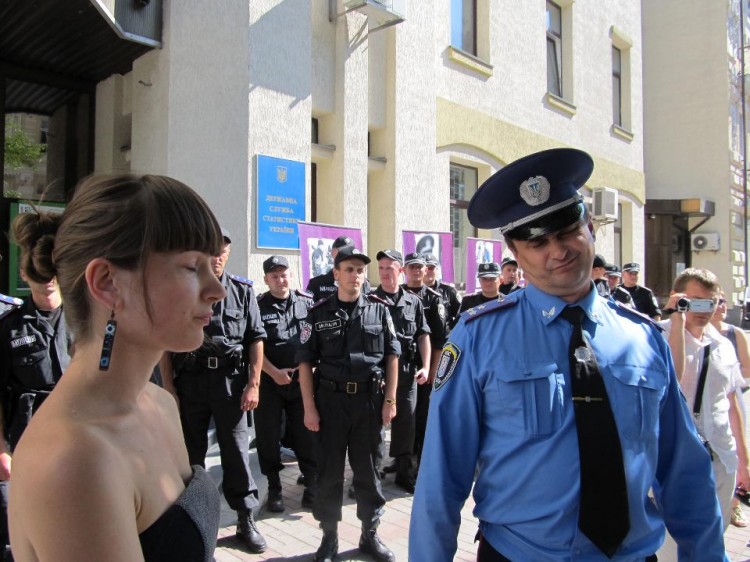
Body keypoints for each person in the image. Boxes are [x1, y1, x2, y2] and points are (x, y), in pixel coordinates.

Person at [409, 148, 726, 561]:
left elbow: (685, 471)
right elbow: (441, 477)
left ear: (590, 227)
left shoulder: (644, 338)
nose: (557, 251)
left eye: (567, 231)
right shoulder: (477, 337)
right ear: (517, 255)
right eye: (537, 241)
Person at [8, 174, 224, 561]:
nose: (217, 289)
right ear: (107, 282)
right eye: (192, 267)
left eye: (213, 264)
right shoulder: (75, 461)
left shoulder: (159, 402)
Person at [160, 228, 268, 553]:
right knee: (189, 456)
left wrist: (254, 383)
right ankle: (189, 519)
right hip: (190, 383)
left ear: (228, 254)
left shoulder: (243, 292)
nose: (217, 257)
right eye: (212, 251)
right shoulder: (185, 289)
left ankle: (245, 520)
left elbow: (256, 339)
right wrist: (168, 388)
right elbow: (166, 342)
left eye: (222, 252)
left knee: (236, 454)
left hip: (230, 385)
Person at [297, 246, 400, 562]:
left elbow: (392, 356)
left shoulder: (379, 310)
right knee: (328, 473)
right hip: (329, 403)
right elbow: (304, 363)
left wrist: (390, 401)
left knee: (368, 472)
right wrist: (309, 408)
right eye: (349, 269)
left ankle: (370, 534)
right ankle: (329, 538)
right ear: (336, 274)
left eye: (359, 269)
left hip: (369, 403)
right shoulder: (317, 313)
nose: (355, 275)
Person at [0, 214, 74, 561]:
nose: (47, 282)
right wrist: (2, 450)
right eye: (38, 273)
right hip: (27, 447)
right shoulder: (10, 327)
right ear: (25, 273)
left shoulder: (86, 321)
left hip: (78, 446)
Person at [660, 269, 750, 532]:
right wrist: (676, 322)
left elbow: (732, 405)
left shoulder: (723, 344)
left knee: (714, 538)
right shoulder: (657, 336)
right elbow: (672, 380)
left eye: (710, 302)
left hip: (721, 456)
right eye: (695, 301)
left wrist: (743, 463)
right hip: (677, 461)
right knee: (674, 545)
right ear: (678, 298)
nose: (704, 310)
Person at [255, 255, 317, 513]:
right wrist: (273, 373)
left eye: (284, 274)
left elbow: (318, 341)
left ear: (291, 275)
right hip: (270, 383)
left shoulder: (308, 303)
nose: (280, 280)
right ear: (266, 279)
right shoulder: (257, 306)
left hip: (302, 382)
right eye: (274, 276)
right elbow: (253, 347)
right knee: (268, 436)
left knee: (307, 433)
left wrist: (310, 369)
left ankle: (312, 483)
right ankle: (274, 487)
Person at [374, 249, 431, 493]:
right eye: (382, 268)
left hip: (407, 373)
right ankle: (369, 475)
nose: (386, 273)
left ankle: (404, 473)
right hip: (377, 374)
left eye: (390, 268)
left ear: (400, 271)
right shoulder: (369, 300)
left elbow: (423, 335)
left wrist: (427, 366)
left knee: (406, 422)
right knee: (373, 426)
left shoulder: (413, 302)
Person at [401, 252, 448, 468]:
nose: (417, 271)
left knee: (422, 416)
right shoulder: (397, 294)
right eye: (412, 267)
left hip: (424, 368)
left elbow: (439, 340)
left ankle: (420, 462)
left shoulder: (433, 298)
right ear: (405, 270)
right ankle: (401, 459)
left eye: (420, 267)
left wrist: (433, 371)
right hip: (401, 366)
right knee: (402, 417)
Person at [711, 291, 750, 527]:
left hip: (732, 394)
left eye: (724, 301)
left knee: (735, 440)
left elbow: (747, 368)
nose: (721, 306)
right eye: (717, 301)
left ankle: (735, 504)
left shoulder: (733, 334)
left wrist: (726, 374)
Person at [306, 236, 371, 301]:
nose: (347, 254)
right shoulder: (317, 283)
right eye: (343, 251)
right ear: (333, 252)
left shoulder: (363, 283)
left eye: (350, 250)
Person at [423, 253, 461, 330]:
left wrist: (453, 332)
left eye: (431, 268)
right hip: (421, 340)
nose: (427, 271)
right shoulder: (411, 292)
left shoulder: (449, 291)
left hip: (445, 340)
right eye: (425, 268)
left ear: (437, 269)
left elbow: (461, 314)